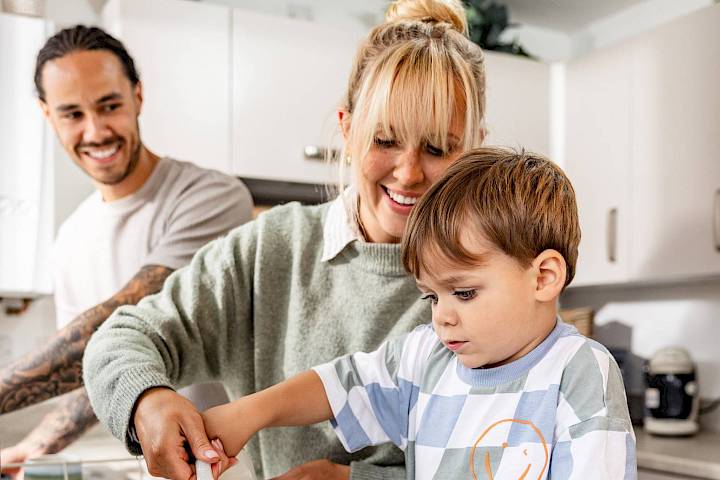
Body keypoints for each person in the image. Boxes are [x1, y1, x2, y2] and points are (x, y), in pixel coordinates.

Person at [82, 0, 487, 479]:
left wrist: (346, 478)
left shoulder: (490, 280)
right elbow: (120, 339)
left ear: (474, 147)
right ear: (347, 129)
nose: (409, 172)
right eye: (385, 140)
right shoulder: (270, 250)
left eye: (438, 147)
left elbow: (506, 457)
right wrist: (147, 403)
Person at [199, 148, 638, 479]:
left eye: (464, 293)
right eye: (432, 297)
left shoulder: (579, 373)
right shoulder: (428, 356)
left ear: (542, 278)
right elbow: (342, 384)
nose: (441, 317)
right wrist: (246, 415)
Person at [0, 25, 253, 476]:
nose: (95, 131)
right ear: (47, 115)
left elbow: (122, 323)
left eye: (109, 106)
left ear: (138, 96)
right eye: (72, 114)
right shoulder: (70, 239)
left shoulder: (209, 197)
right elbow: (98, 370)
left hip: (233, 470)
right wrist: (34, 445)